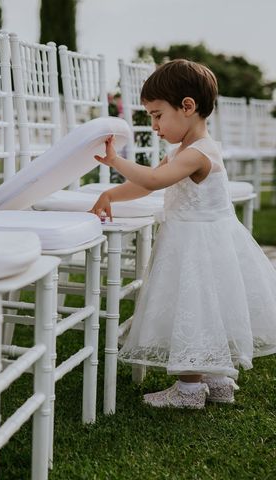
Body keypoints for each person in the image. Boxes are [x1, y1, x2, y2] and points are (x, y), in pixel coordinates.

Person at [90, 59, 276, 409]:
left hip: (195, 248)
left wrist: (115, 161)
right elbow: (145, 186)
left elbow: (154, 180)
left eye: (158, 115)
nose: (155, 126)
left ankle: (189, 390)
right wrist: (112, 194)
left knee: (193, 307)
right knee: (210, 310)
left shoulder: (198, 153)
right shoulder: (184, 152)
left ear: (187, 107)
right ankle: (218, 382)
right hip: (208, 244)